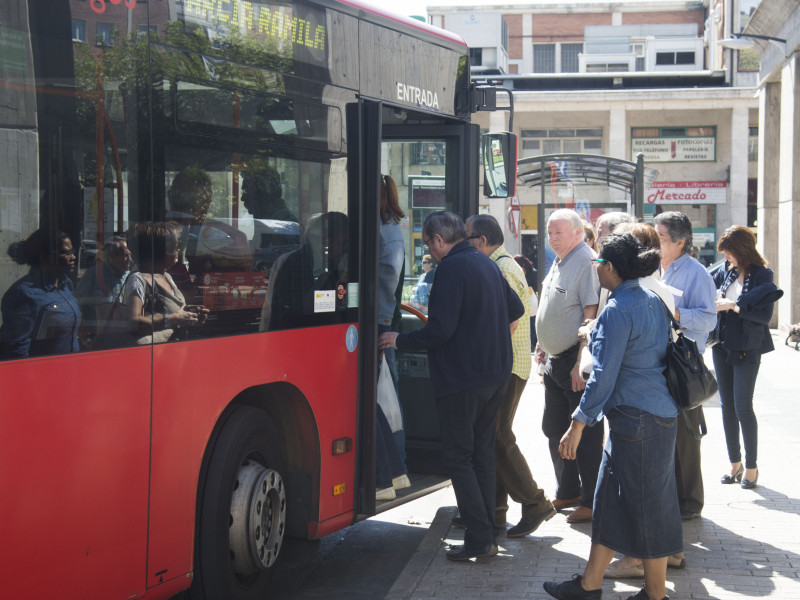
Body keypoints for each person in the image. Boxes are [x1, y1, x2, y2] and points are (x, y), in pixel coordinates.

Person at [378, 211, 524, 562]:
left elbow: (439, 331)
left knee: (459, 457)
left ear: (439, 240)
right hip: (496, 374)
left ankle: (479, 538)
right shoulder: (486, 263)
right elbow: (515, 308)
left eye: (429, 244)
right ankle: (487, 531)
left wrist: (399, 339)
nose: (431, 251)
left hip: (462, 379)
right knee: (481, 454)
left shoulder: (450, 269)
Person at [543, 233, 680, 600]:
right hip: (649, 417)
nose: (595, 268)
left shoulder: (619, 309)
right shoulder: (650, 299)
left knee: (647, 509)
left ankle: (655, 595)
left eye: (598, 262)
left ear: (611, 267)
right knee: (609, 503)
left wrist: (576, 425)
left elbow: (603, 377)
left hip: (639, 420)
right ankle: (590, 583)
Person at [466, 215, 556, 538]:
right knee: (492, 439)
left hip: (507, 366)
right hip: (512, 364)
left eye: (468, 239)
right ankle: (495, 513)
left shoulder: (499, 268)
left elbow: (511, 319)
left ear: (481, 240)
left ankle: (536, 503)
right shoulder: (504, 264)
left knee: (498, 437)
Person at [534, 209, 601, 524]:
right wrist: (542, 345)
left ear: (577, 233)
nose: (552, 237)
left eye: (558, 232)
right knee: (553, 429)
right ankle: (569, 491)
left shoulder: (586, 261)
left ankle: (590, 500)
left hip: (575, 360)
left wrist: (580, 364)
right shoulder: (560, 261)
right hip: (554, 360)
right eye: (549, 232)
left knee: (584, 437)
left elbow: (590, 313)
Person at [654, 211, 716, 522]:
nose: (656, 241)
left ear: (680, 242)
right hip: (654, 360)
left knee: (686, 436)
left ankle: (690, 502)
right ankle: (670, 496)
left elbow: (708, 318)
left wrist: (678, 314)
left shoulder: (697, 274)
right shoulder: (653, 267)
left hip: (683, 362)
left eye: (661, 237)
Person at [712, 225, 782, 490]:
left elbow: (763, 317)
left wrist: (735, 305)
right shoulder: (726, 271)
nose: (726, 258)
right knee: (726, 407)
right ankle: (734, 464)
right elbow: (712, 294)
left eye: (729, 252)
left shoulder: (764, 276)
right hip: (722, 346)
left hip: (747, 347)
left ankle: (751, 467)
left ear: (741, 250)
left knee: (743, 406)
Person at [376, 174, 409, 500]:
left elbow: (385, 285)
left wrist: (380, 327)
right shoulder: (387, 228)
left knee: (385, 405)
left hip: (379, 328)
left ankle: (395, 469)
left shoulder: (385, 233)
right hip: (382, 324)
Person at [1, 229, 80, 358]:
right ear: (44, 257)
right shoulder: (24, 294)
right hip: (43, 372)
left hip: (69, 368)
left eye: (73, 252)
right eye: (66, 253)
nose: (73, 257)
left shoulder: (65, 285)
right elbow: (17, 351)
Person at [123, 222, 206, 344]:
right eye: (175, 246)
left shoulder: (167, 276)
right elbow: (134, 322)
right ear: (161, 251)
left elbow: (176, 313)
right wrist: (173, 320)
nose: (178, 250)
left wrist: (190, 316)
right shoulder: (138, 279)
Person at [74, 234, 132, 347]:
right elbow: (76, 303)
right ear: (111, 256)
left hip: (123, 338)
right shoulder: (93, 275)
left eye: (129, 255)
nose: (129, 260)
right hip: (97, 338)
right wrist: (82, 331)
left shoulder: (131, 276)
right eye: (124, 255)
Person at [514, 254, 538, 350]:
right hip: (526, 298)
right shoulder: (530, 271)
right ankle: (531, 343)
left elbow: (535, 286)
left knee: (531, 323)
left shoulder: (532, 272)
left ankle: (532, 343)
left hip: (531, 299)